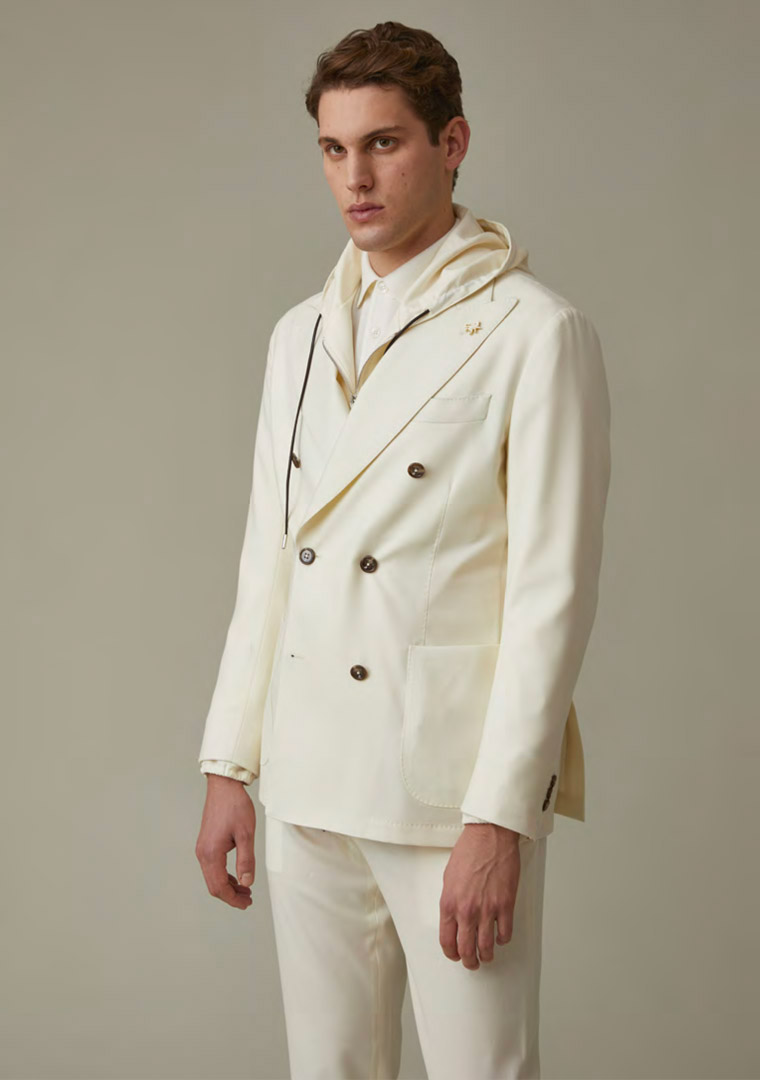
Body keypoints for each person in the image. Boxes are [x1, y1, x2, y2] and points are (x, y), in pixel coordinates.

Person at [195, 20, 611, 1080]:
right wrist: (230, 764)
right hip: (306, 778)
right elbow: (268, 560)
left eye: (383, 143)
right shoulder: (297, 335)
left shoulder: (533, 331)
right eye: (334, 150)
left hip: (444, 793)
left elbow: (551, 597)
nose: (356, 178)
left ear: (451, 142)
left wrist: (499, 818)